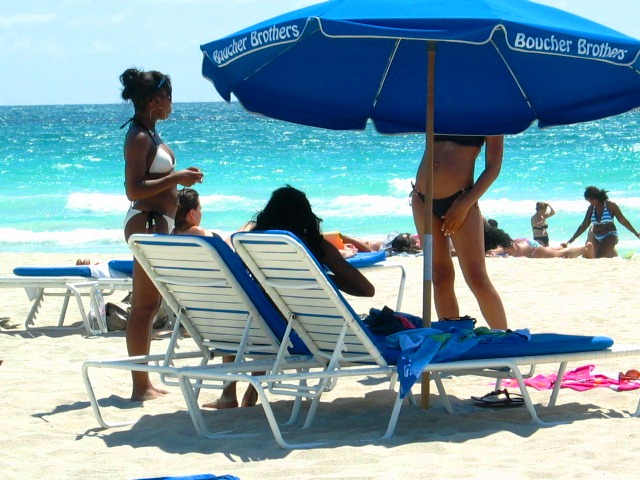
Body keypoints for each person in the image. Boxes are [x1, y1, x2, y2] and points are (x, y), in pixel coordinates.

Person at [205, 185, 375, 410]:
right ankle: (252, 390)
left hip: (249, 330)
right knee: (278, 311)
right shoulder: (314, 246)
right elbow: (366, 289)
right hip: (301, 332)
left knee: (257, 305)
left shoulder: (248, 243)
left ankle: (228, 394)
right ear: (306, 216)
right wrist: (325, 279)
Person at [120, 68, 204, 402]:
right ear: (155, 99)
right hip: (147, 221)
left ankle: (145, 383)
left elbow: (155, 179)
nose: (171, 103)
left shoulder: (150, 133)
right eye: (169, 96)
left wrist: (178, 177)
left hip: (158, 222)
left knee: (150, 305)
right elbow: (133, 190)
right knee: (143, 307)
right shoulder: (139, 136)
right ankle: (140, 387)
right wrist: (175, 178)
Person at [411, 135, 507, 329]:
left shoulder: (492, 110)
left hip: (461, 199)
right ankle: (453, 336)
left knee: (477, 278)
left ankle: (505, 339)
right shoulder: (439, 105)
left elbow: (493, 167)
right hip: (422, 199)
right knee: (440, 277)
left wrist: (464, 204)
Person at [567, 186, 640, 258]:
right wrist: (573, 238)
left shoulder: (610, 205)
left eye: (591, 200)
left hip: (609, 235)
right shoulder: (591, 208)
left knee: (598, 258)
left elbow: (623, 220)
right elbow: (584, 225)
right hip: (596, 237)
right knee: (606, 258)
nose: (590, 203)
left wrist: (635, 232)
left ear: (596, 198)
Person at [485, 225, 594, 258]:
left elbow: (497, 251)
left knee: (560, 254)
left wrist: (493, 253)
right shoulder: (501, 242)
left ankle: (585, 249)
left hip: (533, 249)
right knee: (551, 250)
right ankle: (561, 245)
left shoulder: (496, 249)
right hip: (524, 242)